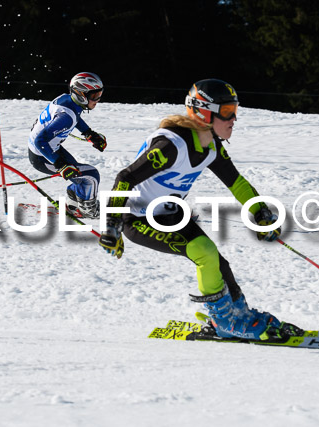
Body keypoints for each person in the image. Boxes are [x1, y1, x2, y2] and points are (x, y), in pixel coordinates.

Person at [98, 78, 301, 341]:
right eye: (227, 112)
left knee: (216, 261)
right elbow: (125, 177)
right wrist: (112, 225)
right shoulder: (172, 146)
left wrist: (261, 213)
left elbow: (236, 182)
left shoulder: (210, 146)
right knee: (204, 253)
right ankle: (224, 321)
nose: (233, 120)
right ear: (205, 113)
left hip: (170, 215)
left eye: (235, 112)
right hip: (137, 219)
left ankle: (239, 313)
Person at [28, 72, 107, 218]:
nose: (98, 100)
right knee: (91, 175)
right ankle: (88, 210)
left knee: (80, 174)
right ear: (81, 94)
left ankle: (74, 201)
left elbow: (74, 117)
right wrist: (60, 164)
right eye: (94, 96)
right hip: (43, 156)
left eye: (100, 95)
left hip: (50, 149)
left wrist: (89, 133)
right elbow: (40, 141)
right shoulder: (66, 117)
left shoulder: (67, 100)